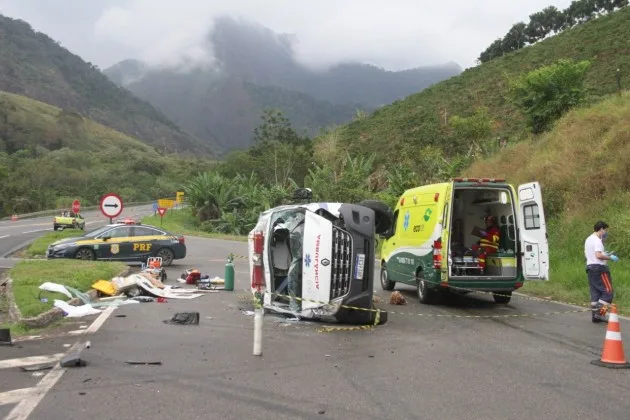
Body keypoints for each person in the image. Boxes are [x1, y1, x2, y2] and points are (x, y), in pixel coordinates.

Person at [584, 220, 619, 323]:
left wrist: (605, 253)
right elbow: (598, 255)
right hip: (599, 269)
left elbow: (593, 253)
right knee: (608, 292)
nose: (606, 232)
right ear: (601, 229)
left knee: (596, 293)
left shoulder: (588, 239)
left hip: (590, 268)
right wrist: (610, 257)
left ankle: (595, 317)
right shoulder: (597, 240)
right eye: (605, 230)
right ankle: (600, 314)